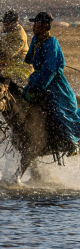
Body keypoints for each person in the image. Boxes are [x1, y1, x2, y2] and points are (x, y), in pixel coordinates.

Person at [23, 12, 80, 156]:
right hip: (37, 78)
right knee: (21, 99)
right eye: (34, 23)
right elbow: (29, 58)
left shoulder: (51, 43)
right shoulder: (36, 39)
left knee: (59, 109)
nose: (33, 26)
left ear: (45, 26)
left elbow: (50, 70)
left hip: (53, 83)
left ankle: (71, 141)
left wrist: (39, 87)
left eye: (36, 23)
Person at [0, 10, 32, 82]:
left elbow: (9, 54)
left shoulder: (19, 36)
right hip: (8, 62)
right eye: (4, 23)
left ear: (14, 24)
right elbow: (1, 48)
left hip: (21, 64)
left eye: (7, 24)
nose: (5, 25)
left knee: (8, 80)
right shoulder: (6, 30)